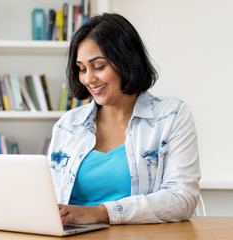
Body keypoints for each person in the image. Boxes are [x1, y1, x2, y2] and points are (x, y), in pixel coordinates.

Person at [47, 13, 200, 225]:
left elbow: (181, 199)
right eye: (82, 69)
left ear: (127, 61)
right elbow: (49, 198)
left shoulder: (171, 116)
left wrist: (102, 212)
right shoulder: (68, 125)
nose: (88, 79)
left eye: (98, 66)